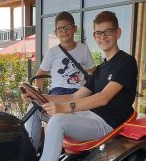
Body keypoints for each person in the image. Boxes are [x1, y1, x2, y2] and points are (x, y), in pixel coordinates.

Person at [6, 11, 138, 161]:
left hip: (107, 124)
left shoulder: (126, 62)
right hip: (89, 116)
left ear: (118, 33)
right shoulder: (101, 69)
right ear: (94, 36)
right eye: (98, 33)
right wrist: (39, 97)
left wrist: (64, 109)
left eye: (108, 32)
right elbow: (75, 96)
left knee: (58, 120)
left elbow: (103, 98)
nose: (102, 37)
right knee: (36, 108)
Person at [26, 11, 95, 150]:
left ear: (74, 29)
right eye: (60, 29)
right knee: (33, 107)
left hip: (79, 93)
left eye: (67, 27)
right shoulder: (52, 52)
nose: (64, 31)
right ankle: (31, 151)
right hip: (58, 93)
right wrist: (38, 92)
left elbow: (92, 71)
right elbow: (40, 75)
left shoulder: (83, 49)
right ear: (56, 32)